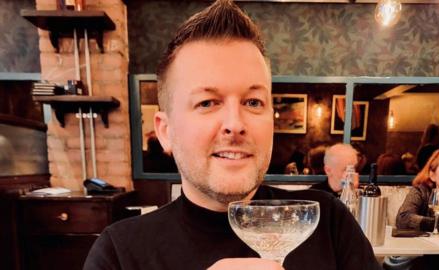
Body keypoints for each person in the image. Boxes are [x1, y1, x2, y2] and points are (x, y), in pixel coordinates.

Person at [83, 1, 380, 269]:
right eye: (207, 103)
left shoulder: (326, 222)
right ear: (166, 131)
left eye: (253, 102)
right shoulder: (119, 253)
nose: (235, 124)